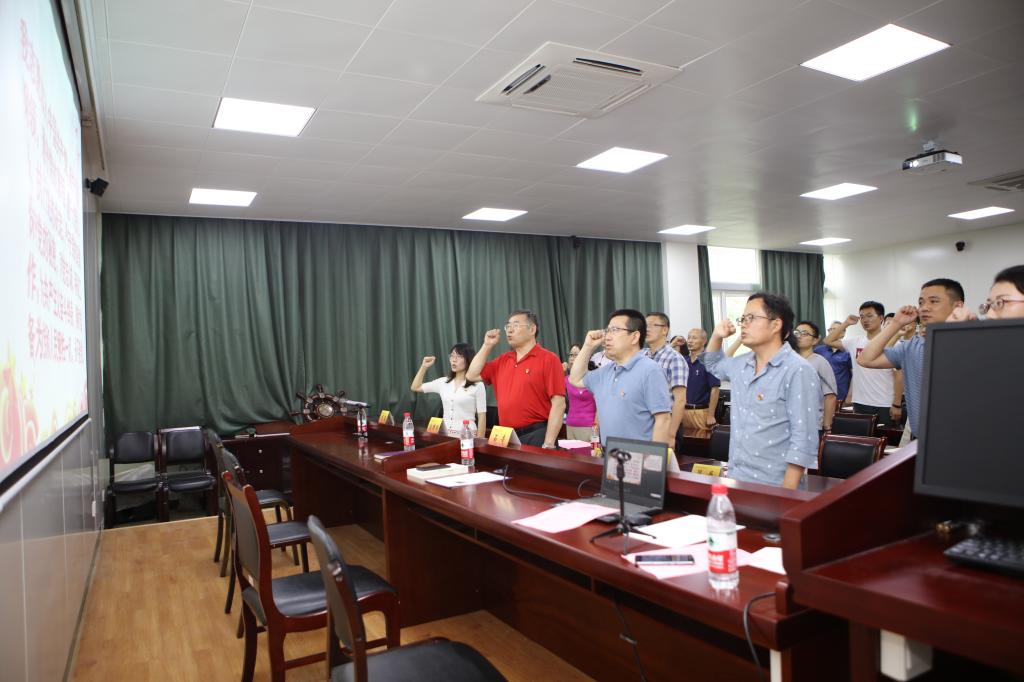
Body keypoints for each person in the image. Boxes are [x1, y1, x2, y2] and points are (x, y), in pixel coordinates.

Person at [703, 293, 820, 490]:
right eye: (742, 318)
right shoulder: (741, 365)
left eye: (751, 318)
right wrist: (716, 335)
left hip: (775, 486)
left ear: (776, 325)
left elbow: (803, 440)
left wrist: (786, 495)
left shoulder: (798, 370)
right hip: (737, 479)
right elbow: (712, 364)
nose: (743, 324)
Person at [858, 278, 966, 438]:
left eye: (934, 301)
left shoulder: (972, 343)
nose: (925, 307)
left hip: (963, 437)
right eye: (921, 302)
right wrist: (896, 323)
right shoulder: (911, 347)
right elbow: (865, 359)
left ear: (958, 306)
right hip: (921, 438)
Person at [569, 309, 672, 451]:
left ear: (635, 337)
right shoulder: (604, 372)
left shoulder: (650, 370)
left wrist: (653, 459)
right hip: (609, 454)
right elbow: (575, 379)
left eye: (615, 330)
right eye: (607, 331)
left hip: (639, 455)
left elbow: (663, 419)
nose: (607, 337)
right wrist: (588, 346)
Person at [466, 310, 566, 448]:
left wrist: (548, 443)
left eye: (516, 325)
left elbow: (559, 404)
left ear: (532, 329)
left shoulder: (549, 359)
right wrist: (487, 345)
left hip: (536, 434)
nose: (510, 330)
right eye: (508, 326)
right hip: (506, 435)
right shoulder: (503, 360)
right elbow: (471, 375)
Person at [823, 301, 903, 428]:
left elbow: (899, 376)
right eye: (862, 317)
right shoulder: (855, 342)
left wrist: (897, 404)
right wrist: (846, 323)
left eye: (870, 316)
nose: (865, 320)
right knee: (862, 438)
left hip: (885, 403)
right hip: (860, 402)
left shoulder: (894, 344)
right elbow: (828, 340)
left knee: (885, 439)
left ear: (881, 318)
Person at [410, 344, 487, 437]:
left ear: (468, 359)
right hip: (444, 436)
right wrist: (424, 366)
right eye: (452, 356)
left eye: (459, 356)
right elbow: (415, 387)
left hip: (467, 436)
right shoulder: (443, 382)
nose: (454, 360)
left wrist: (479, 441)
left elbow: (482, 416)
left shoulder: (478, 385)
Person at [645, 312, 689, 450]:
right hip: (644, 423)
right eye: (645, 325)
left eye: (652, 325)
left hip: (666, 423)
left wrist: (671, 435)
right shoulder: (642, 356)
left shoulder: (674, 358)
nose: (647, 329)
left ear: (665, 330)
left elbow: (680, 400)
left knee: (664, 464)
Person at [790, 321, 838, 434]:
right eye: (797, 333)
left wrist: (826, 426)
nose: (799, 336)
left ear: (815, 340)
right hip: (790, 423)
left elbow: (830, 396)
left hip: (812, 425)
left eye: (805, 333)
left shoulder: (820, 362)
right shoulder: (789, 360)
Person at [680, 328, 721, 432]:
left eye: (694, 338)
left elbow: (715, 389)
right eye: (689, 337)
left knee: (701, 440)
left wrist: (711, 415)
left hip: (700, 412)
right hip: (682, 411)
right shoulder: (684, 361)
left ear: (704, 341)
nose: (690, 341)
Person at [563, 343, 597, 441]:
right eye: (571, 355)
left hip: (589, 426)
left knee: (591, 451)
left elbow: (600, 406)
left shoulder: (594, 377)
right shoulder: (566, 379)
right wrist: (561, 372)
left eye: (576, 355)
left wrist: (596, 428)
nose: (572, 358)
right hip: (570, 425)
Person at [814, 321, 852, 404]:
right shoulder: (818, 350)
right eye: (830, 329)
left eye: (835, 329)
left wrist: (850, 396)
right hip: (820, 396)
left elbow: (854, 376)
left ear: (843, 333)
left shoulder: (848, 352)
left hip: (841, 397)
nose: (831, 332)